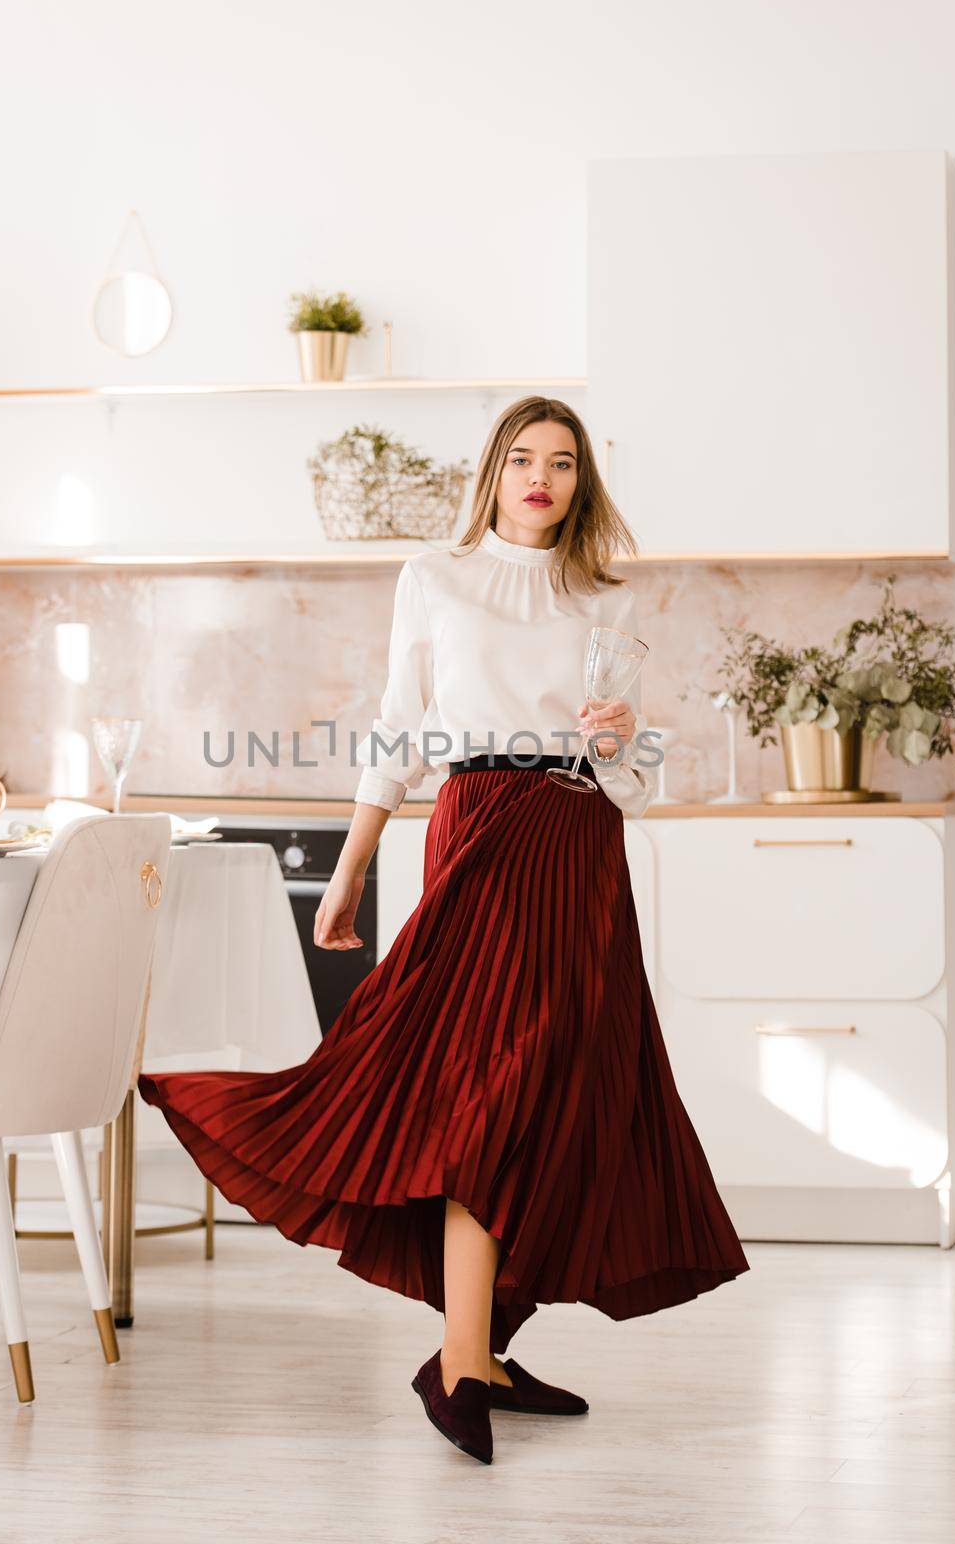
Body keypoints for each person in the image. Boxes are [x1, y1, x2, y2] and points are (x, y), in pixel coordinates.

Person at [138, 395, 750, 1466]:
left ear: (582, 481)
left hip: (579, 843)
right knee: (489, 1087)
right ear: (494, 471)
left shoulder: (605, 600)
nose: (542, 478)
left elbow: (638, 778)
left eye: (562, 462)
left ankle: (481, 1351)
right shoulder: (435, 578)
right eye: (523, 458)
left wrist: (619, 743)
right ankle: (464, 1355)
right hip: (477, 831)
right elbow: (396, 729)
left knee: (556, 1092)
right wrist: (351, 865)